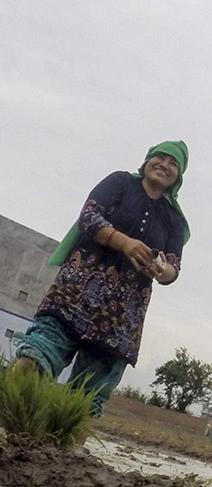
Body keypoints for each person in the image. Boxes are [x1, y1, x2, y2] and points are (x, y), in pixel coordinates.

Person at [14, 142, 190, 416]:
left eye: (173, 163)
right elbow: (88, 216)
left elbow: (174, 267)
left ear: (178, 177)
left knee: (86, 398)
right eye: (160, 157)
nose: (164, 165)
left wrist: (161, 270)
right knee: (34, 358)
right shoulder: (120, 182)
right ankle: (11, 432)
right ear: (147, 160)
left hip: (120, 319)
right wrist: (124, 243)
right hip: (73, 296)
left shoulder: (174, 220)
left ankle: (57, 451)